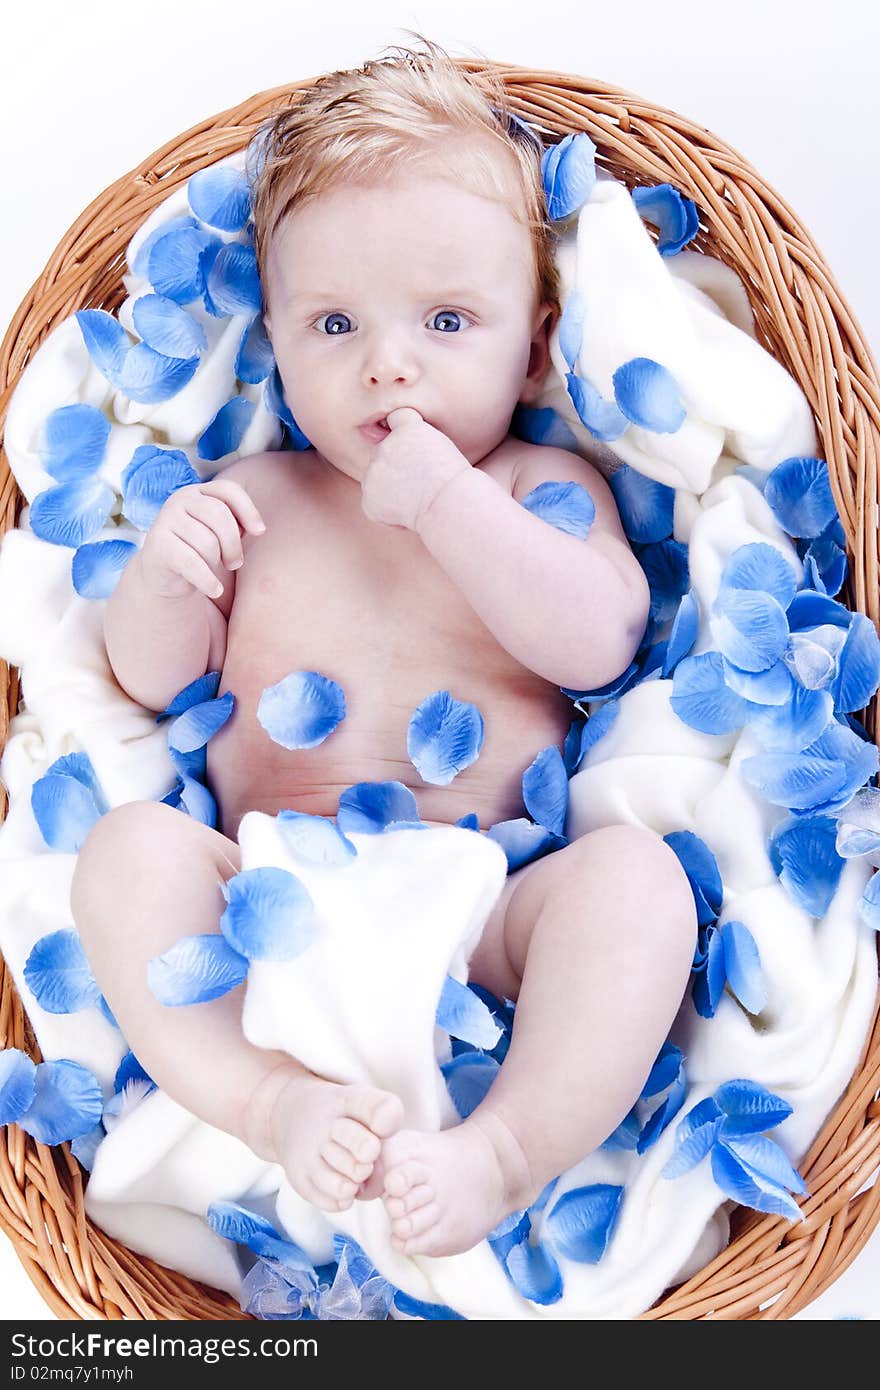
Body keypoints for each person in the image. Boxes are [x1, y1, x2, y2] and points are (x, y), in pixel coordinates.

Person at [71, 37, 696, 1260]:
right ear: (278, 335)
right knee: (129, 853)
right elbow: (150, 681)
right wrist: (164, 571)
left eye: (446, 319)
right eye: (336, 321)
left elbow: (600, 642)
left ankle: (504, 1150)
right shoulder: (258, 490)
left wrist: (454, 507)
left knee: (635, 892)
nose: (386, 362)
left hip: (488, 908)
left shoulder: (536, 482)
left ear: (531, 347)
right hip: (264, 898)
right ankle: (267, 1099)